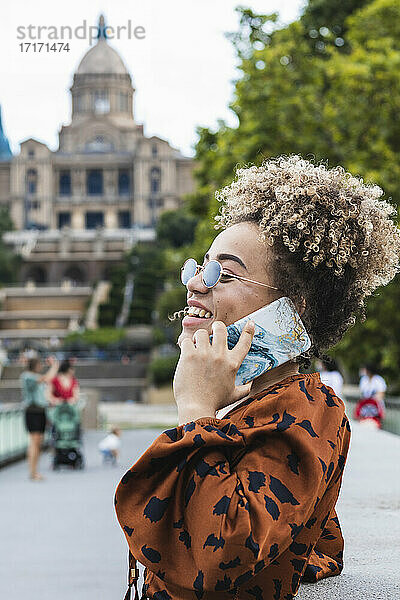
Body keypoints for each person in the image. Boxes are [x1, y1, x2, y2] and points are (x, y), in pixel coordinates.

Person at [115, 156, 400, 600]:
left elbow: (218, 556)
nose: (195, 285)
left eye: (222, 274)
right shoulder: (245, 402)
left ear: (294, 307)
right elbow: (315, 531)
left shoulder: (309, 408)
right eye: (198, 267)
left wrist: (194, 413)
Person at [20, 356, 59, 481]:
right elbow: (46, 378)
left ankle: (35, 470)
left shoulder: (35, 378)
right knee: (34, 442)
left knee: (39, 442)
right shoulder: (27, 376)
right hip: (32, 412)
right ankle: (32, 472)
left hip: (41, 412)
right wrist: (54, 365)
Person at [355, 363, 387, 428]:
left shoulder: (378, 380)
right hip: (365, 407)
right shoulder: (364, 380)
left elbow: (381, 394)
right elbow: (362, 393)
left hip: (376, 408)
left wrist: (372, 400)